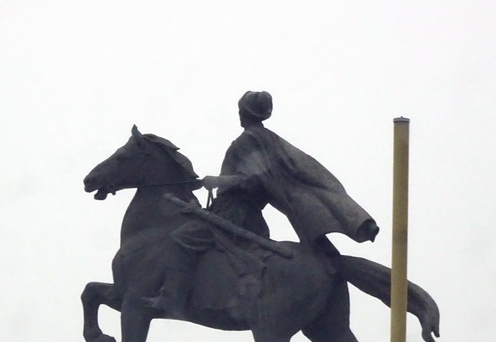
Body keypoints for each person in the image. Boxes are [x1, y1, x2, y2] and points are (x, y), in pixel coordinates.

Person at [145, 91, 377, 318]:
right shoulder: (270, 140)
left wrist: (219, 180)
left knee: (182, 238)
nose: (239, 114)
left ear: (245, 113)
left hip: (234, 215)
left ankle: (171, 298)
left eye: (240, 111)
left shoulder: (248, 141)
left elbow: (253, 180)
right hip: (252, 217)